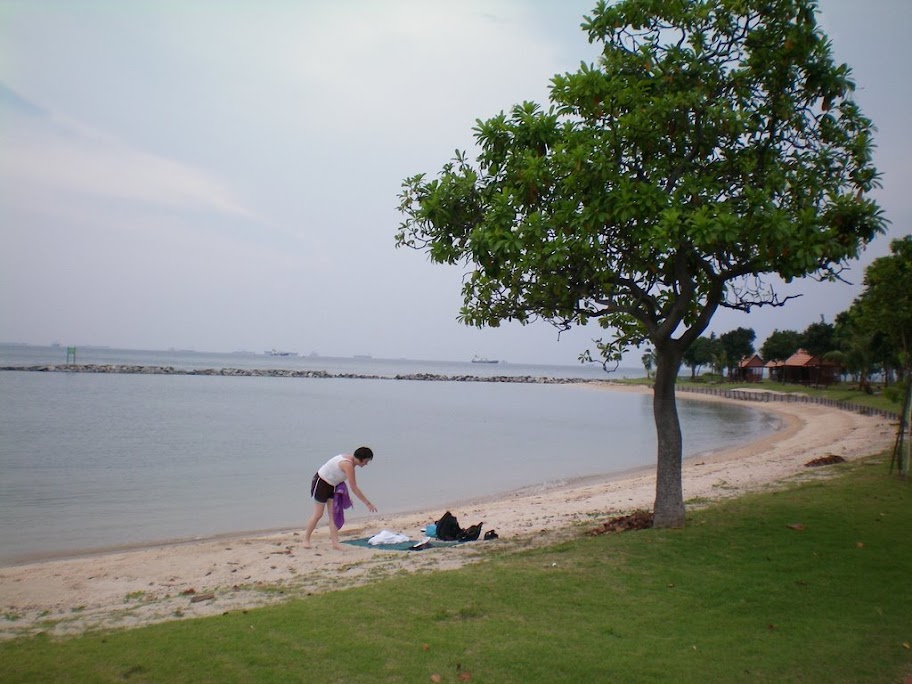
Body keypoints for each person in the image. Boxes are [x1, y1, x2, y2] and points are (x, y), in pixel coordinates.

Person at [303, 446, 377, 550]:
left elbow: (339, 477)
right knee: (318, 514)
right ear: (360, 459)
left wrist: (345, 495)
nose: (366, 464)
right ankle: (306, 540)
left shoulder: (351, 462)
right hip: (321, 484)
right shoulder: (348, 464)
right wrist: (367, 503)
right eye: (366, 461)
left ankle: (335, 543)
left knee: (333, 516)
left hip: (333, 486)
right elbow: (354, 487)